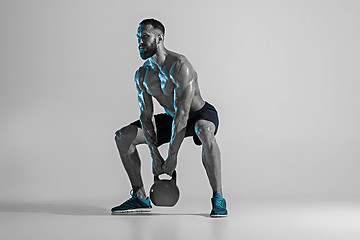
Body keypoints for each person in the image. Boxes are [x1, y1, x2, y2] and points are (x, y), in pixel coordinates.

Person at [111, 18, 227, 217]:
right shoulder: (142, 74)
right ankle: (140, 196)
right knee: (122, 137)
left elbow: (183, 114)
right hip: (171, 117)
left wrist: (172, 157)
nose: (140, 41)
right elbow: (146, 118)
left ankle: (219, 197)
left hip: (198, 114)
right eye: (138, 38)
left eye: (145, 37)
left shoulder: (180, 66)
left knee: (205, 131)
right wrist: (155, 156)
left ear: (160, 38)